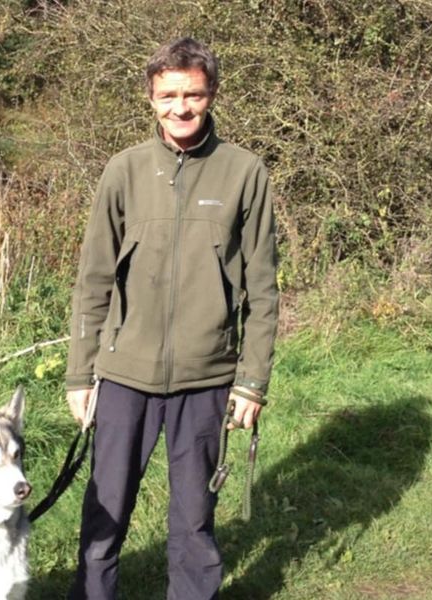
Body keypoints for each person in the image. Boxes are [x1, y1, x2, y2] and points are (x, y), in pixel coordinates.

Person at [64, 37, 279, 600]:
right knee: (104, 517)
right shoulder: (123, 171)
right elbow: (93, 281)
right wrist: (81, 375)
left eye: (193, 94)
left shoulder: (244, 173)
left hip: (206, 380)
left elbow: (262, 290)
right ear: (150, 98)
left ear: (211, 96)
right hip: (122, 378)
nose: (180, 108)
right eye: (168, 95)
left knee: (194, 524)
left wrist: (252, 381)